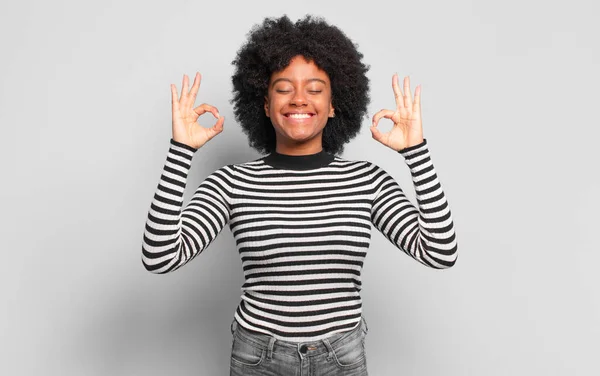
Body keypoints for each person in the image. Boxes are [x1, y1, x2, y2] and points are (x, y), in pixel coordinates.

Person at [142, 14, 458, 376]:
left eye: (315, 88)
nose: (298, 99)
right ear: (264, 103)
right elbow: (160, 257)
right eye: (283, 87)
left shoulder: (366, 180)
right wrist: (181, 150)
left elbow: (439, 252)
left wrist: (415, 152)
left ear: (335, 104)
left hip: (341, 357)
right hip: (257, 358)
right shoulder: (232, 182)